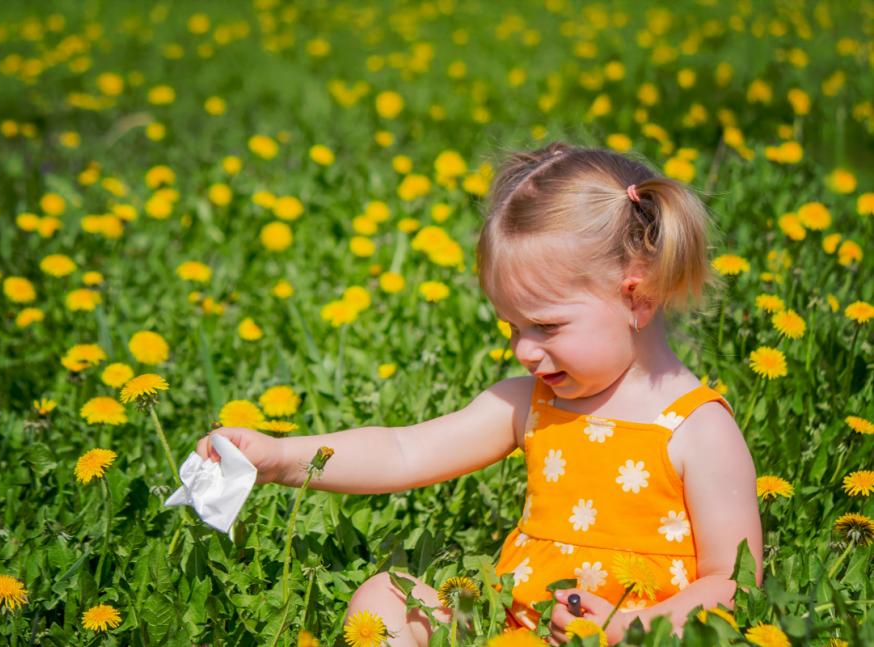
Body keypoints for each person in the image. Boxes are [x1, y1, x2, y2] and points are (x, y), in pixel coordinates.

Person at [194, 141, 764, 646]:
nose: (523, 349)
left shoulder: (697, 428)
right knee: (383, 598)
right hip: (512, 629)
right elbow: (403, 452)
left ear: (638, 298)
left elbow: (734, 583)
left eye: (546, 326)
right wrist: (281, 458)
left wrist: (634, 629)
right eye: (512, 327)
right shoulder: (530, 404)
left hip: (638, 636)